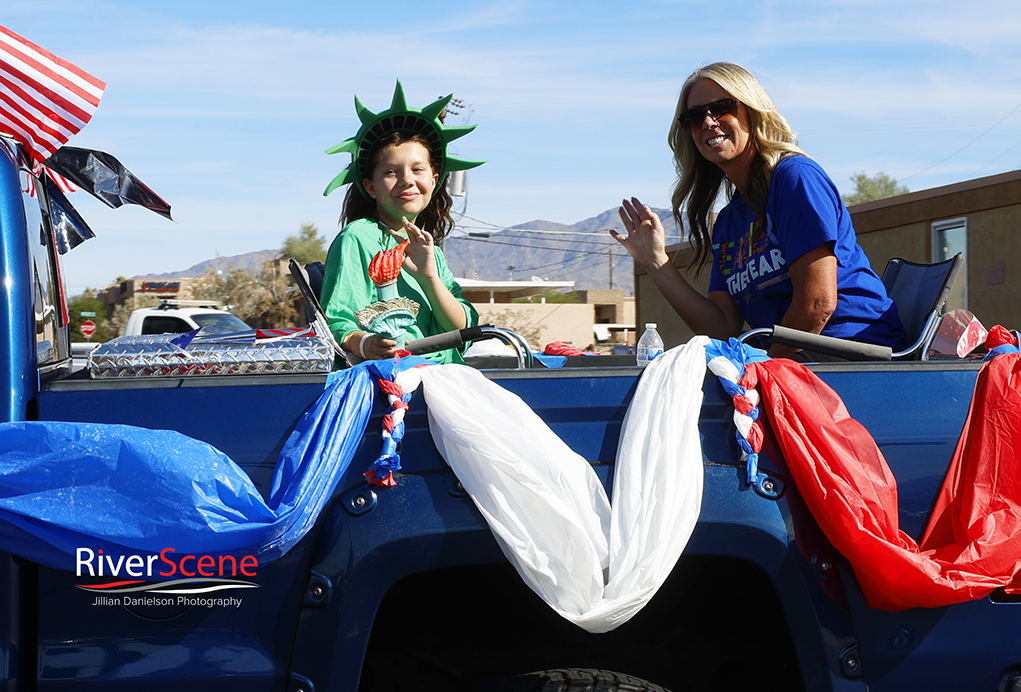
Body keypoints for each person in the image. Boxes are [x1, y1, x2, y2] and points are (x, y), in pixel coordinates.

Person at [612, 62, 905, 359]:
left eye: (722, 107)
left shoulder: (795, 178)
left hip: (853, 357)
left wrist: (765, 373)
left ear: (752, 110)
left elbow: (817, 304)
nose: (709, 123)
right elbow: (722, 327)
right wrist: (655, 261)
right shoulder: (728, 223)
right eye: (695, 116)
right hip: (797, 361)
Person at [319, 81, 483, 365]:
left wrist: (429, 277)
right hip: (387, 382)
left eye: (418, 169)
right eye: (392, 172)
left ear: (433, 181)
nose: (407, 180)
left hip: (441, 376)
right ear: (370, 187)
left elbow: (461, 330)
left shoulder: (429, 249)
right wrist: (367, 344)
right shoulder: (357, 238)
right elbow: (337, 322)